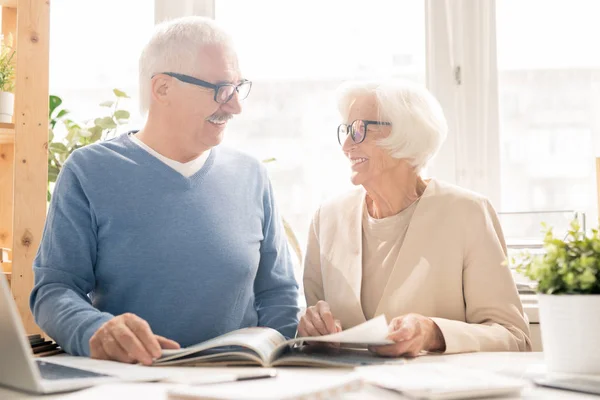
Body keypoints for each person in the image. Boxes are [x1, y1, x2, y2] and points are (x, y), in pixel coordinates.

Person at [30, 16, 299, 365]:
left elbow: (278, 294)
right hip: (130, 382)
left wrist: (280, 367)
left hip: (240, 383)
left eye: (237, 87)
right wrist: (95, 329)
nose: (235, 106)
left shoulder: (252, 175)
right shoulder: (88, 171)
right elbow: (54, 290)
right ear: (163, 89)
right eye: (221, 90)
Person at [299, 79, 531, 356]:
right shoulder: (326, 219)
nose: (346, 145)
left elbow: (514, 338)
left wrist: (434, 334)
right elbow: (313, 333)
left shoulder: (467, 213)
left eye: (360, 130)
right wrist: (312, 331)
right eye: (346, 130)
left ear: (405, 134)